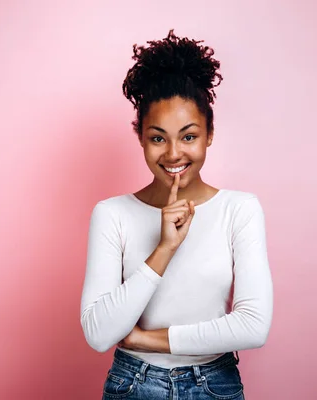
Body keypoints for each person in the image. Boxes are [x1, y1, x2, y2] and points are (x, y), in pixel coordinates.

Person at [80, 29, 273, 400]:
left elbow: (253, 326)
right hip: (133, 384)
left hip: (214, 384)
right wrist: (164, 248)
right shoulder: (112, 214)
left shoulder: (239, 209)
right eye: (157, 137)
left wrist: (144, 339)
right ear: (140, 137)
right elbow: (99, 333)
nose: (172, 154)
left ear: (209, 134)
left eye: (188, 136)